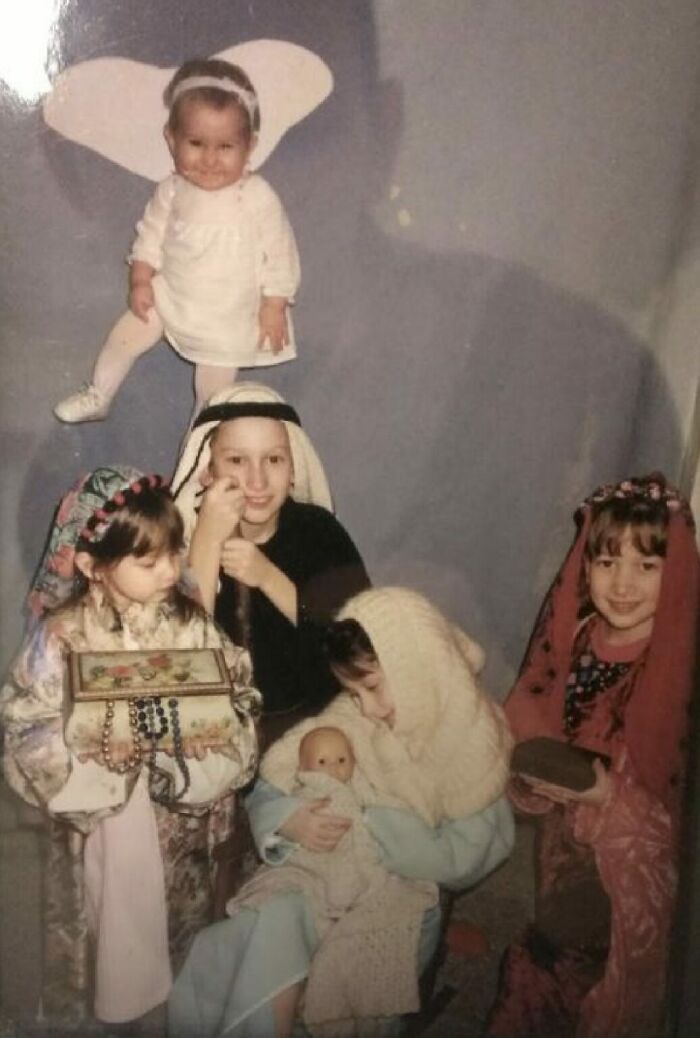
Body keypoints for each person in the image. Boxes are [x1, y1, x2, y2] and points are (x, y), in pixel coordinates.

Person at [169, 586, 515, 1037]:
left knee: (351, 965)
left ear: (416, 668)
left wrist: (375, 823)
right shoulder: (353, 714)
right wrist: (288, 817)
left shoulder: (469, 735)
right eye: (353, 693)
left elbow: (468, 857)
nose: (366, 708)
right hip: (322, 874)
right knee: (271, 921)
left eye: (371, 688)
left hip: (397, 891)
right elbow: (275, 778)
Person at [0, 465, 261, 1030]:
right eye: (149, 561)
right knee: (113, 950)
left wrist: (198, 747)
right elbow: (24, 726)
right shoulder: (63, 637)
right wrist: (92, 764)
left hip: (182, 824)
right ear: (91, 565)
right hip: (100, 831)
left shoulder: (190, 624)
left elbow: (239, 696)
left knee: (180, 947)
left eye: (174, 552)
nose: (170, 570)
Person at [486, 474, 700, 1038]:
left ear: (676, 572)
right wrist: (532, 777)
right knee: (552, 951)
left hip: (632, 870)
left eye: (646, 566)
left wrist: (608, 795)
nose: (622, 584)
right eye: (607, 562)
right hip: (565, 846)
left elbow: (678, 802)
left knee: (573, 974)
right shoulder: (578, 636)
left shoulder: (679, 664)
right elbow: (538, 720)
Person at [53, 57, 300, 425]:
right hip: (170, 296)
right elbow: (150, 237)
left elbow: (281, 252)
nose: (210, 159)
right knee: (125, 335)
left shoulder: (256, 195)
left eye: (226, 146)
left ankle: (201, 439)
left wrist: (274, 304)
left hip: (227, 315)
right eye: (196, 143)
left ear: (250, 146)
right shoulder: (172, 190)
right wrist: (140, 279)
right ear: (171, 139)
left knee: (212, 392)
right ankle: (100, 394)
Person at [171, 381, 371, 741]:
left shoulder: (320, 532)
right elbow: (184, 659)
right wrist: (207, 541)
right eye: (236, 460)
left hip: (318, 729)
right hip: (218, 733)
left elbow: (354, 645)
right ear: (206, 470)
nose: (258, 480)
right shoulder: (178, 542)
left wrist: (267, 577)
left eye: (274, 459)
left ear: (293, 469)